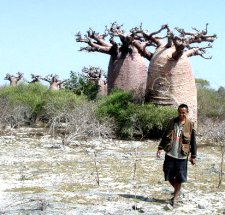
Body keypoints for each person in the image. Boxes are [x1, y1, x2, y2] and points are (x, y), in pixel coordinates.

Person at [156, 103, 197, 206]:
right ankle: (177, 191)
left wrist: (193, 156)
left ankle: (176, 197)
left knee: (179, 178)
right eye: (179, 112)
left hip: (182, 156)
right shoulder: (172, 122)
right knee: (168, 175)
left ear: (187, 112)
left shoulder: (190, 124)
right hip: (170, 153)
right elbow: (165, 135)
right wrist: (160, 148)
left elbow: (193, 142)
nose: (181, 114)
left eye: (183, 112)